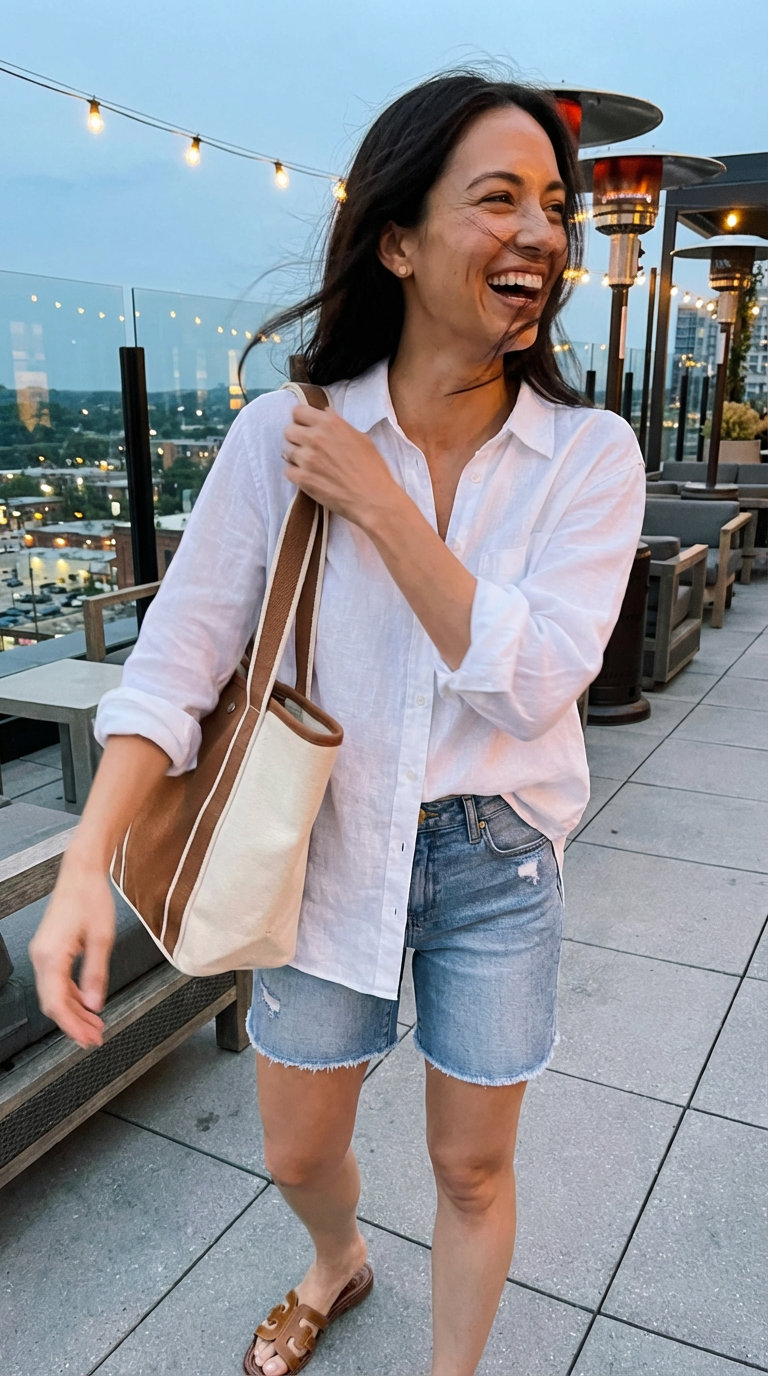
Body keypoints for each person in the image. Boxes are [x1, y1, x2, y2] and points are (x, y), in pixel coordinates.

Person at [31, 72, 646, 1376]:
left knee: (472, 1171)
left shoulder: (590, 459)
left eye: (554, 206)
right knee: (298, 1147)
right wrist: (88, 860)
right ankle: (336, 1260)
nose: (540, 231)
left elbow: (535, 684)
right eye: (499, 199)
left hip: (497, 859)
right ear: (400, 237)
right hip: (314, 848)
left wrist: (381, 506)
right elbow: (178, 661)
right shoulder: (280, 438)